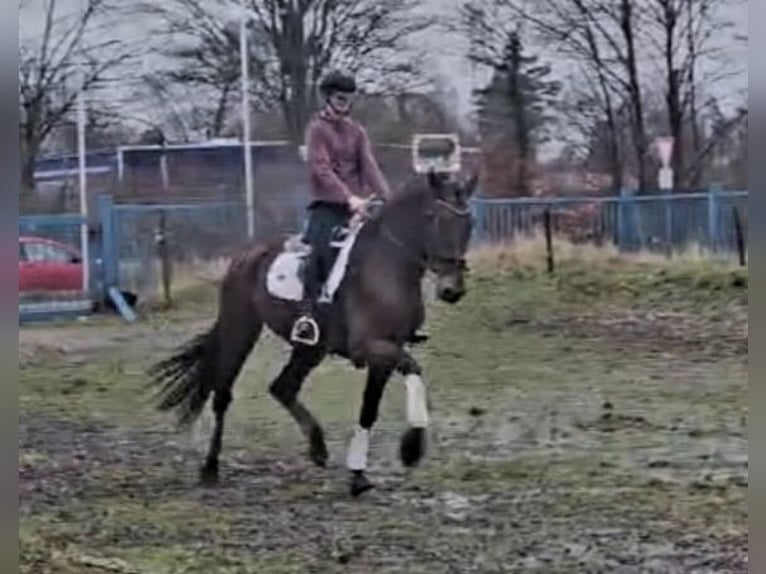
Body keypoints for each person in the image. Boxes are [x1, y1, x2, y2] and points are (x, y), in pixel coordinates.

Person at [290, 70, 392, 346]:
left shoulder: (357, 131)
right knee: (320, 254)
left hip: (356, 208)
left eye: (349, 98)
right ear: (328, 98)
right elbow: (321, 170)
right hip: (326, 207)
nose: (345, 103)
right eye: (340, 98)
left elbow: (369, 167)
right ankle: (306, 317)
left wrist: (388, 197)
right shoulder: (317, 130)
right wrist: (349, 198)